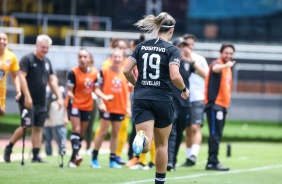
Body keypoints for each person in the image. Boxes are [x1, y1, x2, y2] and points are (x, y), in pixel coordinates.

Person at [123, 12, 189, 184]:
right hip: (162, 99)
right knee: (161, 144)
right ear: (171, 30)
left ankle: (142, 140)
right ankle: (160, 181)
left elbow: (126, 71)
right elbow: (175, 76)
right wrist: (184, 89)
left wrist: (137, 84)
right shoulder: (172, 49)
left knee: (145, 146)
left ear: (157, 27)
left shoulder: (142, 46)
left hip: (142, 97)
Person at [4, 34, 63, 163]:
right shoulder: (27, 59)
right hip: (27, 100)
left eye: (47, 48)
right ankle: (9, 147)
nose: (45, 50)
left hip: (41, 100)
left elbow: (52, 80)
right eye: (43, 47)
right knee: (26, 126)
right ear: (37, 46)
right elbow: (21, 77)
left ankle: (36, 155)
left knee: (38, 127)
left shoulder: (47, 62)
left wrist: (59, 97)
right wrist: (27, 97)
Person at [66, 48, 112, 168]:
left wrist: (104, 98)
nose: (82, 59)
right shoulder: (73, 72)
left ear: (89, 59)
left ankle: (72, 159)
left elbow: (96, 89)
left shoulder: (94, 73)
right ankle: (76, 156)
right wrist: (70, 95)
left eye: (85, 57)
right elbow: (70, 91)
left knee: (81, 133)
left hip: (87, 106)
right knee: (76, 129)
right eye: (80, 57)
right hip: (75, 105)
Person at [167, 37, 207, 171]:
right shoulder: (169, 62)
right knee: (171, 133)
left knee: (179, 133)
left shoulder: (187, 63)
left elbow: (204, 74)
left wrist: (192, 61)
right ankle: (169, 162)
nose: (182, 48)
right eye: (179, 46)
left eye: (184, 46)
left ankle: (173, 160)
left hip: (184, 103)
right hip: (171, 102)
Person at [91, 49, 130, 169]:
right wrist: (102, 101)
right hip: (107, 107)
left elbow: (126, 91)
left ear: (123, 59)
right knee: (102, 132)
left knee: (115, 134)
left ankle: (112, 160)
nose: (117, 59)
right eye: (115, 57)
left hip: (120, 108)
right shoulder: (104, 71)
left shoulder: (126, 72)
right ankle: (94, 158)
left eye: (119, 57)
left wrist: (128, 106)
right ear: (111, 58)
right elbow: (96, 88)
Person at [204, 43, 236, 171]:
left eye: (231, 53)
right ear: (221, 53)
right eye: (226, 53)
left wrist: (225, 109)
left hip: (222, 107)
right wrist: (226, 65)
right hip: (214, 105)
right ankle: (212, 162)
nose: (228, 55)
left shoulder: (227, 69)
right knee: (215, 134)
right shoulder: (217, 64)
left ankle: (213, 160)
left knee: (218, 134)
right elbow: (215, 69)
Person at [181, 34, 209, 167]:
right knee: (187, 129)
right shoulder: (177, 59)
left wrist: (191, 62)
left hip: (197, 97)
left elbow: (206, 75)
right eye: (186, 44)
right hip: (184, 98)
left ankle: (193, 154)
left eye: (191, 44)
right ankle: (188, 158)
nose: (189, 47)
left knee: (195, 127)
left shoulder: (199, 59)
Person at [43, 83, 68, 156]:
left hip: (58, 116)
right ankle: (48, 153)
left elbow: (65, 103)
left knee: (60, 135)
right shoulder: (45, 89)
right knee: (47, 137)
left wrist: (66, 117)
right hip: (47, 117)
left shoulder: (61, 90)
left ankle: (62, 152)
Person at [0, 32, 21, 117]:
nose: (2, 41)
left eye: (4, 39)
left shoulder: (11, 57)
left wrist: (18, 90)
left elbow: (15, 76)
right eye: (0, 39)